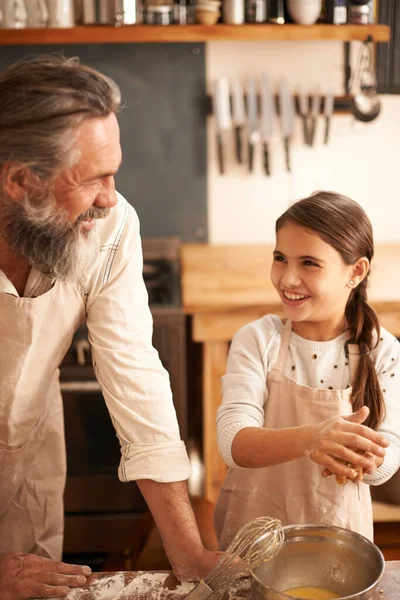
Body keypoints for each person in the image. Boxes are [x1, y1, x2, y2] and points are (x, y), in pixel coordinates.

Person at [0, 55, 219, 600]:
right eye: (94, 178)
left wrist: (188, 554)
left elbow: (137, 376)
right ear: (21, 182)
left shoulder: (111, 227)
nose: (111, 196)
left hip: (28, 453)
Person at [214, 191, 400, 550]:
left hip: (337, 543)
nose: (288, 278)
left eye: (309, 263)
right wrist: (312, 439)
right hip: (252, 541)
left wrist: (366, 457)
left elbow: (386, 462)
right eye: (280, 258)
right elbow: (232, 441)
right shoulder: (257, 339)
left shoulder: (385, 352)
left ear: (356, 272)